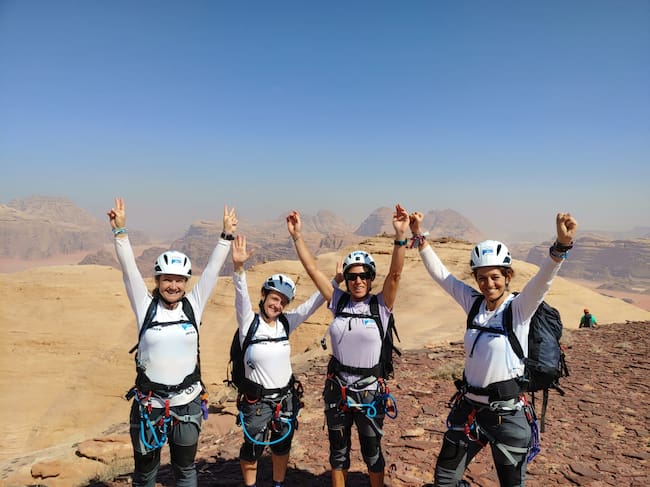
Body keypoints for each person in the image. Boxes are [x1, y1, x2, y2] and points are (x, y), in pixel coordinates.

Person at [409, 211, 578, 487]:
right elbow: (442, 276)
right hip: (469, 411)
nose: (489, 284)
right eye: (482, 278)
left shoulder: (519, 308)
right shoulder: (473, 303)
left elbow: (543, 280)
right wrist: (419, 236)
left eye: (495, 277)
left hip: (507, 416)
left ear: (508, 275)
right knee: (445, 480)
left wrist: (561, 246)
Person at [107, 197, 237, 487]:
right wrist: (120, 232)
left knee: (185, 469)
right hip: (149, 405)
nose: (173, 286)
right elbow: (129, 270)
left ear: (187, 282)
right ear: (157, 280)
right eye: (167, 279)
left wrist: (226, 237)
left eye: (179, 280)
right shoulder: (145, 306)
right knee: (145, 475)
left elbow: (212, 271)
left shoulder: (193, 305)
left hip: (187, 404)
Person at [286, 204, 410, 487]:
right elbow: (312, 270)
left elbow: (395, 275)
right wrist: (297, 237)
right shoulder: (338, 301)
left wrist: (400, 236)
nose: (357, 281)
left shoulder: (381, 306)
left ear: (371, 278)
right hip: (338, 389)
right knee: (338, 454)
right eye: (352, 276)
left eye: (363, 276)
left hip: (369, 392)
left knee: (372, 452)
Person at [231, 234, 342, 487]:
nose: (277, 305)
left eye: (283, 301)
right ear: (264, 296)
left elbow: (312, 304)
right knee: (252, 448)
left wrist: (335, 282)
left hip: (285, 398)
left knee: (282, 446)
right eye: (274, 298)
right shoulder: (249, 323)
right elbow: (240, 296)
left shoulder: (285, 323)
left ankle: (278, 484)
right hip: (257, 401)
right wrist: (238, 268)